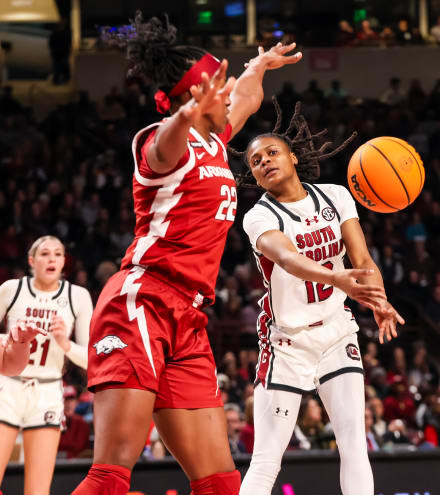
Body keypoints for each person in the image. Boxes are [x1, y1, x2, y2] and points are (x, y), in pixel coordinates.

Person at [72, 11, 301, 495]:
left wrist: (257, 67)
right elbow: (166, 140)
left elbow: (246, 96)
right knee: (111, 473)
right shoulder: (161, 143)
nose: (231, 88)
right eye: (221, 82)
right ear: (197, 97)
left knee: (220, 482)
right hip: (141, 302)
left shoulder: (215, 140)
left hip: (189, 316)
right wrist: (183, 114)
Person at [236, 99, 404, 495]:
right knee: (266, 460)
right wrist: (341, 280)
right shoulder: (259, 217)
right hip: (286, 342)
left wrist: (378, 298)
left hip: (336, 332)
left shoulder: (336, 196)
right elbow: (290, 260)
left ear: (293, 156)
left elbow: (362, 260)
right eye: (256, 162)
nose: (264, 162)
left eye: (271, 152)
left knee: (353, 445)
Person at [0, 235, 93, 495]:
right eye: (44, 253)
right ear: (32, 261)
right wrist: (9, 341)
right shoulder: (11, 289)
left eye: (58, 254)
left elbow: (90, 359)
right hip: (7, 388)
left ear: (64, 262)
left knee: (38, 491)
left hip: (48, 391)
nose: (51, 258)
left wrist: (65, 343)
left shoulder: (78, 297)